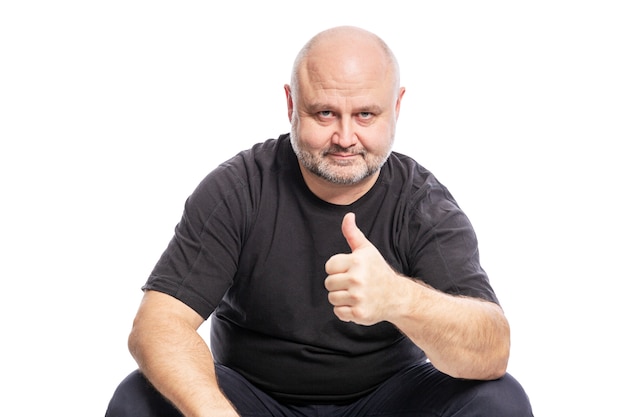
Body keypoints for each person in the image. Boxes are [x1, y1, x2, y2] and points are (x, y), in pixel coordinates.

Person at [105, 25, 534, 417]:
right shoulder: (237, 190)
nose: (345, 138)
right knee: (137, 400)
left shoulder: (421, 204)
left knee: (501, 402)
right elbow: (157, 325)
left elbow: (492, 349)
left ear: (397, 107)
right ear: (291, 104)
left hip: (388, 401)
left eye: (366, 115)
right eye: (325, 113)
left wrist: (398, 298)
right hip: (253, 401)